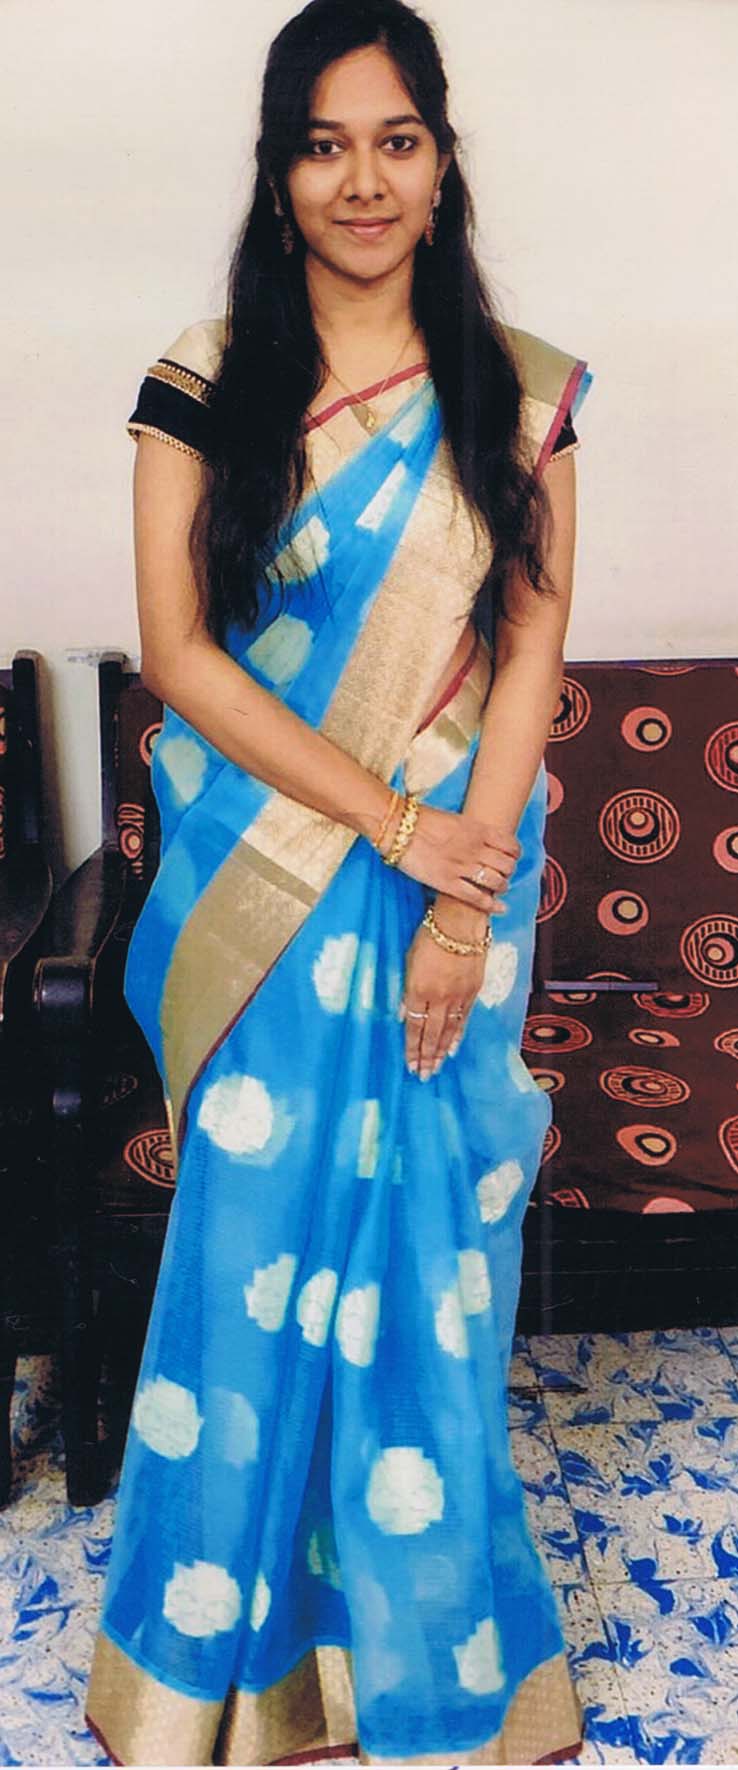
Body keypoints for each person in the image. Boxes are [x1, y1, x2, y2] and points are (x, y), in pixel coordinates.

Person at [85, 1, 592, 1762]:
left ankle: (426, 1657)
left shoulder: (517, 394)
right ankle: (232, 1668)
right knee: (250, 1261)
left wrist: (459, 903)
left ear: (442, 164)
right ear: (277, 171)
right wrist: (388, 824)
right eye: (322, 144)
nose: (360, 179)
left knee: (426, 1276)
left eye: (394, 140)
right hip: (268, 885)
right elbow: (180, 655)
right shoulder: (204, 378)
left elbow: (525, 661)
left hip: (453, 883)